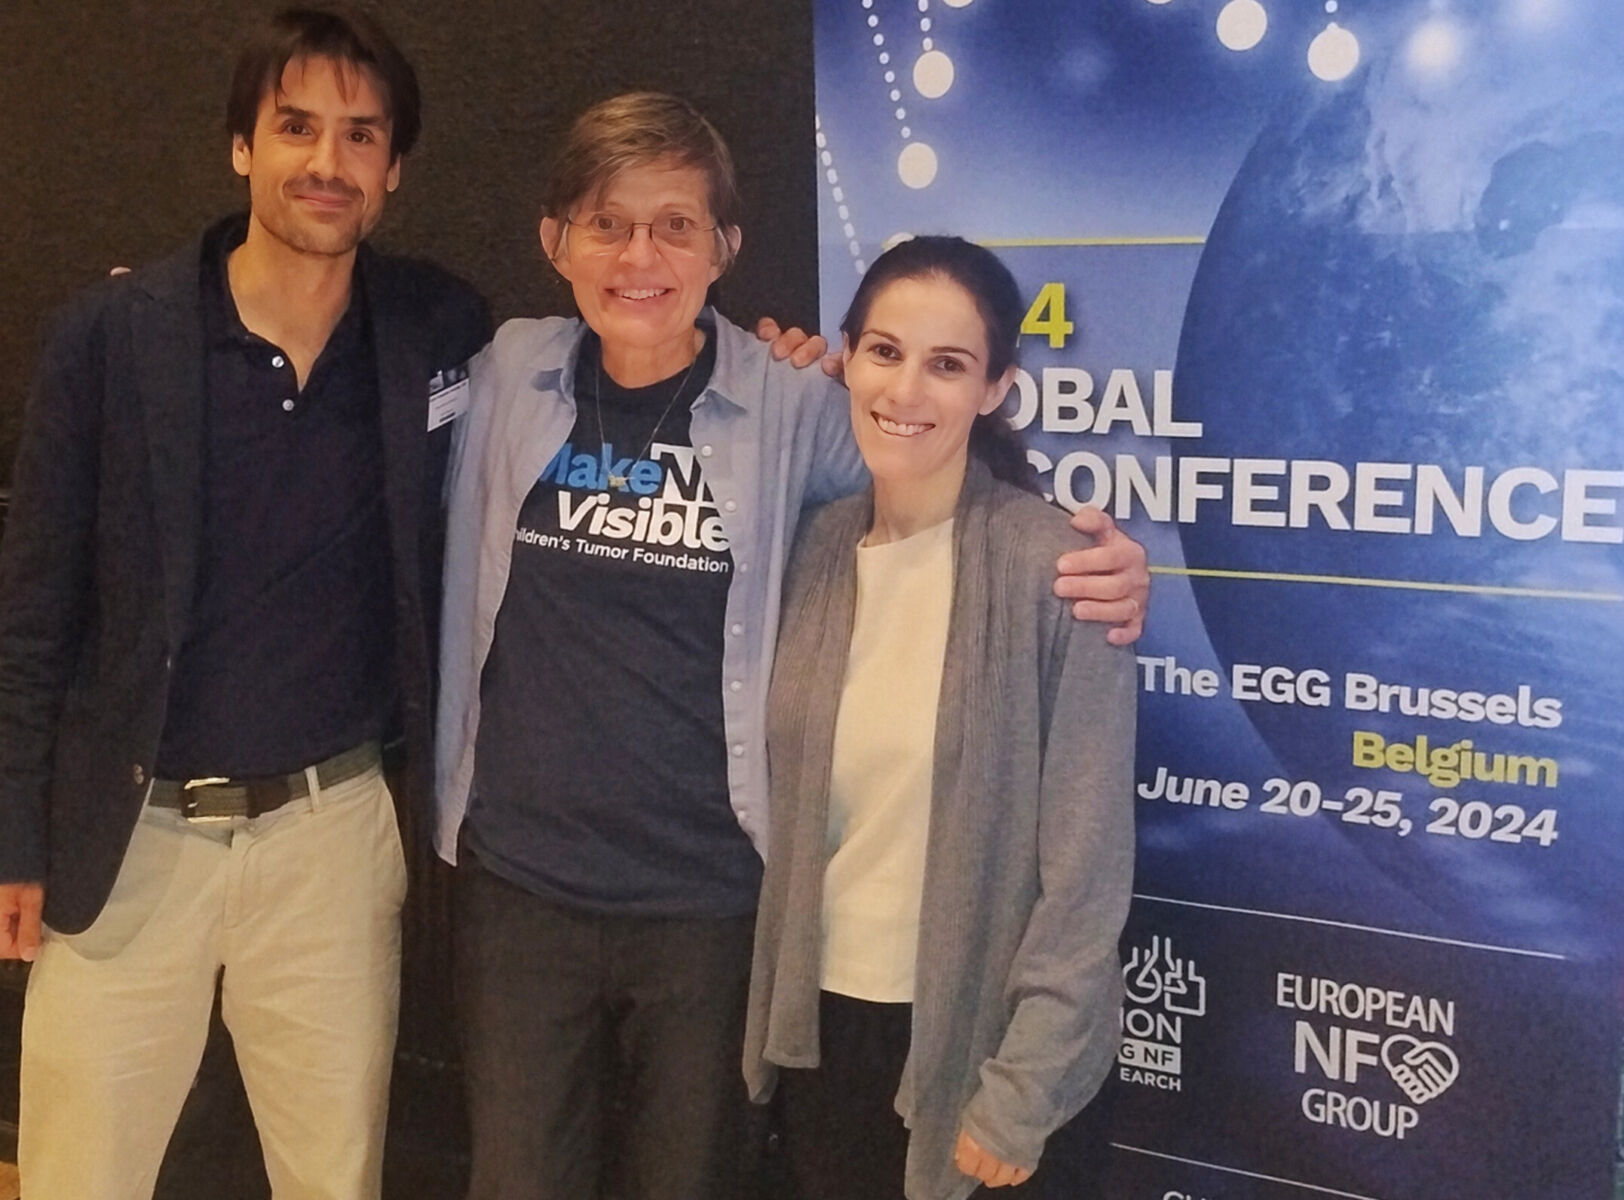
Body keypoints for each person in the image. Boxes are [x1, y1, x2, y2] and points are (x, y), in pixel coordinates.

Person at [436, 96, 1149, 1200]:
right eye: (607, 224)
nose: (640, 256)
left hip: (716, 912)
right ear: (554, 240)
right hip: (537, 899)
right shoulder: (501, 381)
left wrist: (1100, 563)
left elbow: (942, 476)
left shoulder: (797, 413)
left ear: (726, 247)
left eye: (676, 225)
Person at [0, 8, 491, 1197]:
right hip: (127, 841)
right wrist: (14, 833)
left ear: (394, 169)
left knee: (334, 1177)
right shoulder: (112, 338)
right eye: (296, 127)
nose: (327, 162)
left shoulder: (442, 329)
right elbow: (29, 617)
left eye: (359, 135)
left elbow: (612, 361)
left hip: (328, 840)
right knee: (77, 1174)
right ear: (241, 146)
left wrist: (787, 367)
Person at [743, 236, 1137, 1200]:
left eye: (947, 364)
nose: (906, 390)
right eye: (884, 352)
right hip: (824, 1043)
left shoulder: (1062, 574)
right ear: (847, 359)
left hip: (981, 1056)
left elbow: (1086, 876)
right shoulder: (808, 553)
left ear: (996, 387)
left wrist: (1023, 1090)